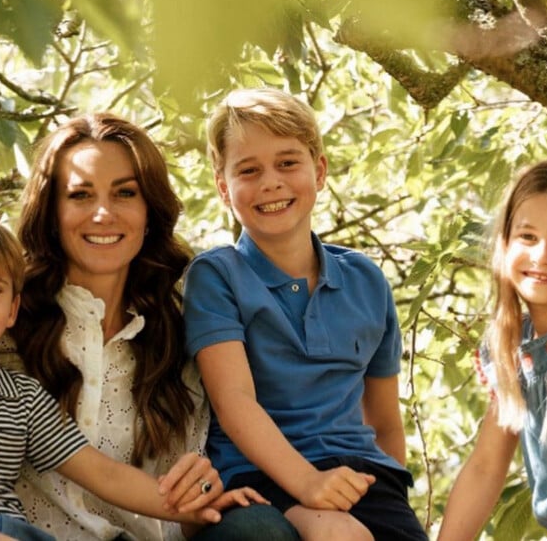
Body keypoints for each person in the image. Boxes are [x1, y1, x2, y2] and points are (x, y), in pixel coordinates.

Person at [0, 113, 299, 541]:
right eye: (80, 195)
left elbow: (187, 511)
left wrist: (201, 492)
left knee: (258, 529)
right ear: (50, 212)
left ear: (149, 210)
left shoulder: (184, 326)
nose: (104, 213)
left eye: (125, 193)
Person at [182, 87, 428, 541]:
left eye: (288, 163)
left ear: (320, 171)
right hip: (259, 476)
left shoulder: (366, 281)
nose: (270, 182)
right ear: (223, 187)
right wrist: (308, 484)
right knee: (341, 537)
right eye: (248, 170)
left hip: (361, 478)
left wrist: (392, 496)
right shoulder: (217, 276)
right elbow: (234, 401)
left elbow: (385, 421)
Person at [0, 209, 269, 541]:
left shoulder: (22, 398)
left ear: (12, 310)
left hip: (7, 530)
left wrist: (191, 504)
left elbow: (105, 474)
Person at [438, 160, 547, 540]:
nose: (541, 256)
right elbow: (486, 467)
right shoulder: (511, 347)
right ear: (503, 243)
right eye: (528, 237)